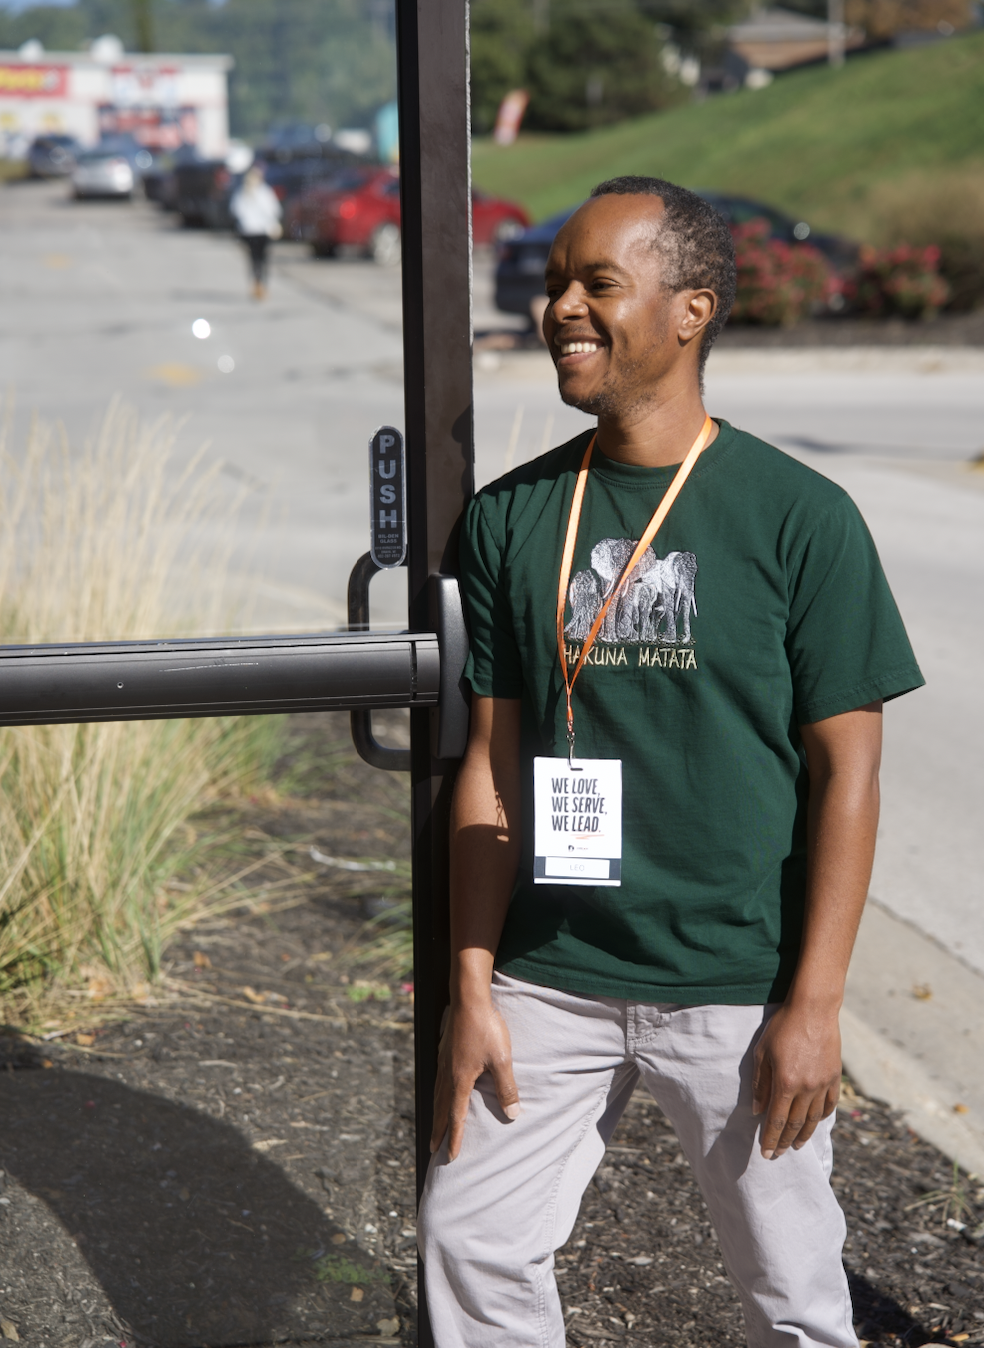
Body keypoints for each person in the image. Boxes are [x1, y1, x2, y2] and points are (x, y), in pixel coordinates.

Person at [417, 176, 924, 1348]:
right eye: (555, 284)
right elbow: (490, 766)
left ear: (691, 309)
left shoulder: (800, 517)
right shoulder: (510, 519)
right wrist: (474, 986)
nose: (563, 309)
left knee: (792, 1297)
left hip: (736, 982)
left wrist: (815, 1003)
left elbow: (850, 774)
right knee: (471, 1239)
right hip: (552, 972)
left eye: (598, 283)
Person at [229, 164, 282, 300]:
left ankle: (256, 284)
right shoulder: (264, 192)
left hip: (248, 231)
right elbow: (274, 210)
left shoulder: (242, 192)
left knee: (253, 260)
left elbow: (235, 211)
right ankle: (261, 285)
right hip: (262, 231)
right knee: (263, 259)